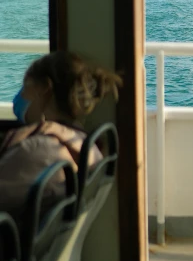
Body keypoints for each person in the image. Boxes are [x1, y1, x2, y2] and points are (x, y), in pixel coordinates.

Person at [0, 51, 122, 226]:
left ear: (44, 90)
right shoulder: (80, 144)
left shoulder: (36, 149)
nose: (19, 97)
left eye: (25, 87)